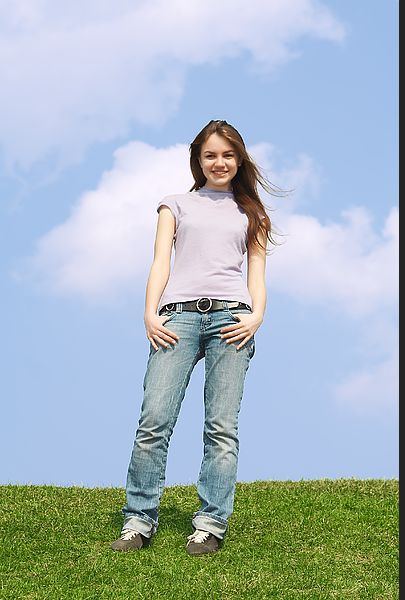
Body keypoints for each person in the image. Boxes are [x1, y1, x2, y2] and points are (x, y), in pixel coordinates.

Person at [111, 119, 281, 555]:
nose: (219, 162)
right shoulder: (174, 205)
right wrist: (151, 314)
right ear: (198, 159)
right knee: (154, 422)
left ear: (238, 159)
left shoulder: (252, 212)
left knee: (221, 428)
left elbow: (256, 274)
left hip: (232, 320)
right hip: (177, 320)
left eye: (227, 154)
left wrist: (257, 316)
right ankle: (138, 522)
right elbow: (160, 263)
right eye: (210, 155)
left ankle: (209, 525)